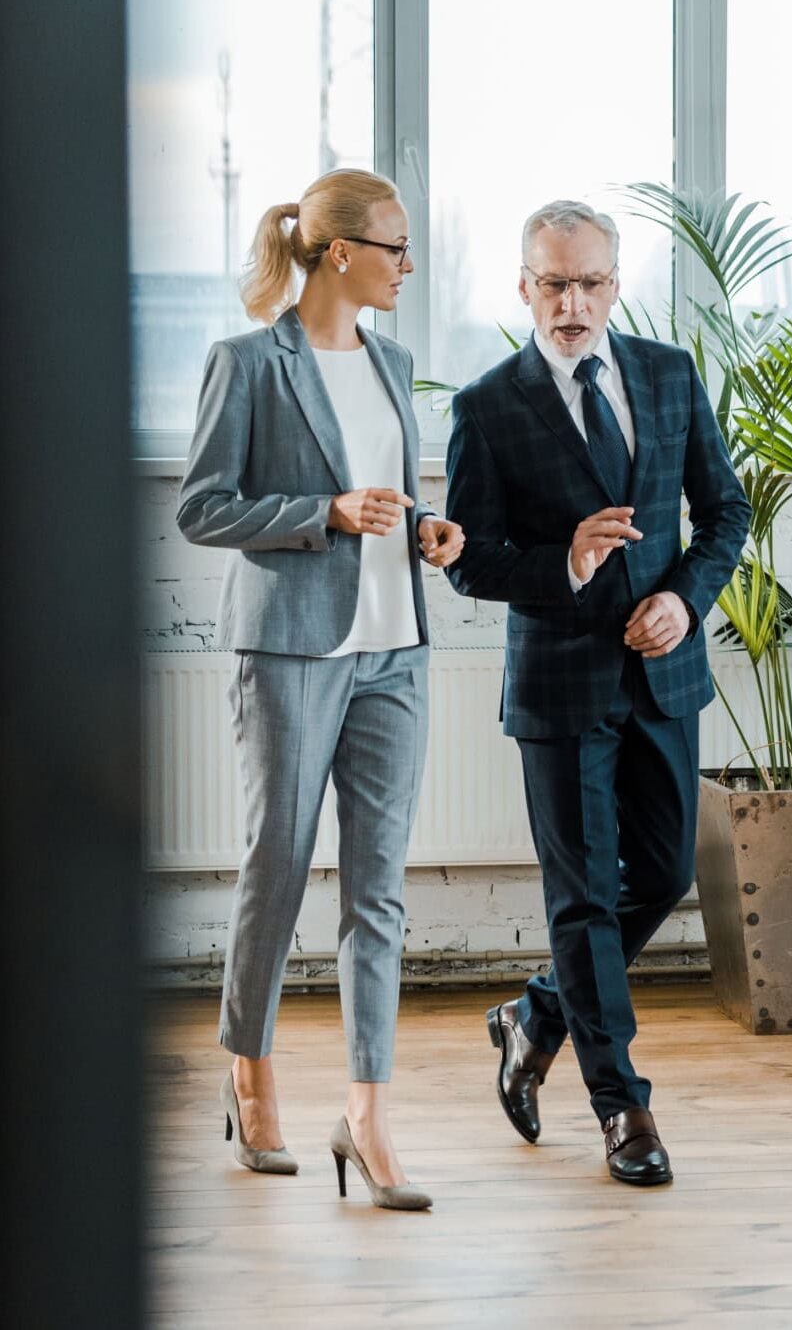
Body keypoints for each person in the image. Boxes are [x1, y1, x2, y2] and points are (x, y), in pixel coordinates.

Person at [444, 200, 750, 1185]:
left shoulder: (669, 374)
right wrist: (565, 561)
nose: (571, 304)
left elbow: (725, 513)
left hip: (663, 677)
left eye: (588, 284)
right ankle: (623, 1109)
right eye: (552, 284)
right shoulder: (487, 406)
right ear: (523, 286)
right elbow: (470, 560)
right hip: (560, 686)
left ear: (616, 285)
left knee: (661, 874)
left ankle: (536, 1014)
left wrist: (685, 602)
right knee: (580, 901)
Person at [177, 168, 464, 1211]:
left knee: (378, 890)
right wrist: (323, 513)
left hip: (394, 650)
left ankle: (368, 1118)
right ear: (341, 252)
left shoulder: (393, 362)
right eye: (396, 246)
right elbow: (203, 509)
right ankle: (249, 1075)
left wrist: (427, 531)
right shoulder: (248, 363)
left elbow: (392, 495)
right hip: (293, 651)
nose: (408, 265)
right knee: (279, 867)